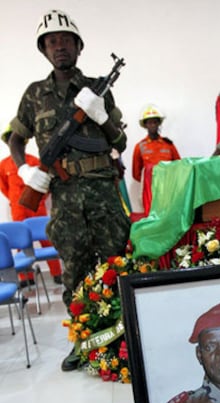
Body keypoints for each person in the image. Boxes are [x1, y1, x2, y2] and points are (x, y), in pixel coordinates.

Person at [8, 10, 131, 371]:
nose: (59, 46)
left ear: (78, 47)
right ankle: (82, 341)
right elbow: (16, 139)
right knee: (74, 273)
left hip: (103, 196)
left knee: (116, 266)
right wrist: (25, 168)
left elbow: (120, 141)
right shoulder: (34, 94)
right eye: (51, 41)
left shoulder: (97, 88)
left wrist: (101, 117)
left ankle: (124, 337)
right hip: (62, 198)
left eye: (65, 40)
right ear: (44, 50)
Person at [0, 125, 62, 285]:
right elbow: (4, 187)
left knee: (47, 239)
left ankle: (56, 273)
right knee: (21, 244)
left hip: (37, 207)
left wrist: (40, 199)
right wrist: (16, 200)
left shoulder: (34, 161)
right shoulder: (3, 165)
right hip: (18, 209)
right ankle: (26, 278)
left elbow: (46, 183)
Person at [131, 105, 181, 215]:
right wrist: (150, 180)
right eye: (149, 122)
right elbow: (136, 173)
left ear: (159, 123)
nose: (152, 125)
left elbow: (179, 165)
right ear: (145, 125)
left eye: (155, 122)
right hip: (150, 190)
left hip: (168, 188)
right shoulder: (140, 147)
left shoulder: (169, 145)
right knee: (152, 215)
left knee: (169, 214)